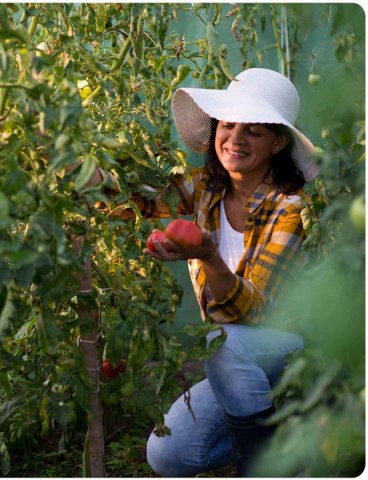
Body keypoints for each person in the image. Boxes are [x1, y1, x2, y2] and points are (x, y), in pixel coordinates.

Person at [135, 68, 319, 477]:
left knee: (225, 338)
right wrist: (73, 165)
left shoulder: (290, 208)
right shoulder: (204, 189)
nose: (235, 139)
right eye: (229, 124)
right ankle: (282, 436)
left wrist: (208, 256)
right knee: (169, 454)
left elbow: (251, 312)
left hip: (285, 352)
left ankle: (262, 467)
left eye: (253, 131)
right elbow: (135, 200)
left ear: (278, 143)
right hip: (231, 356)